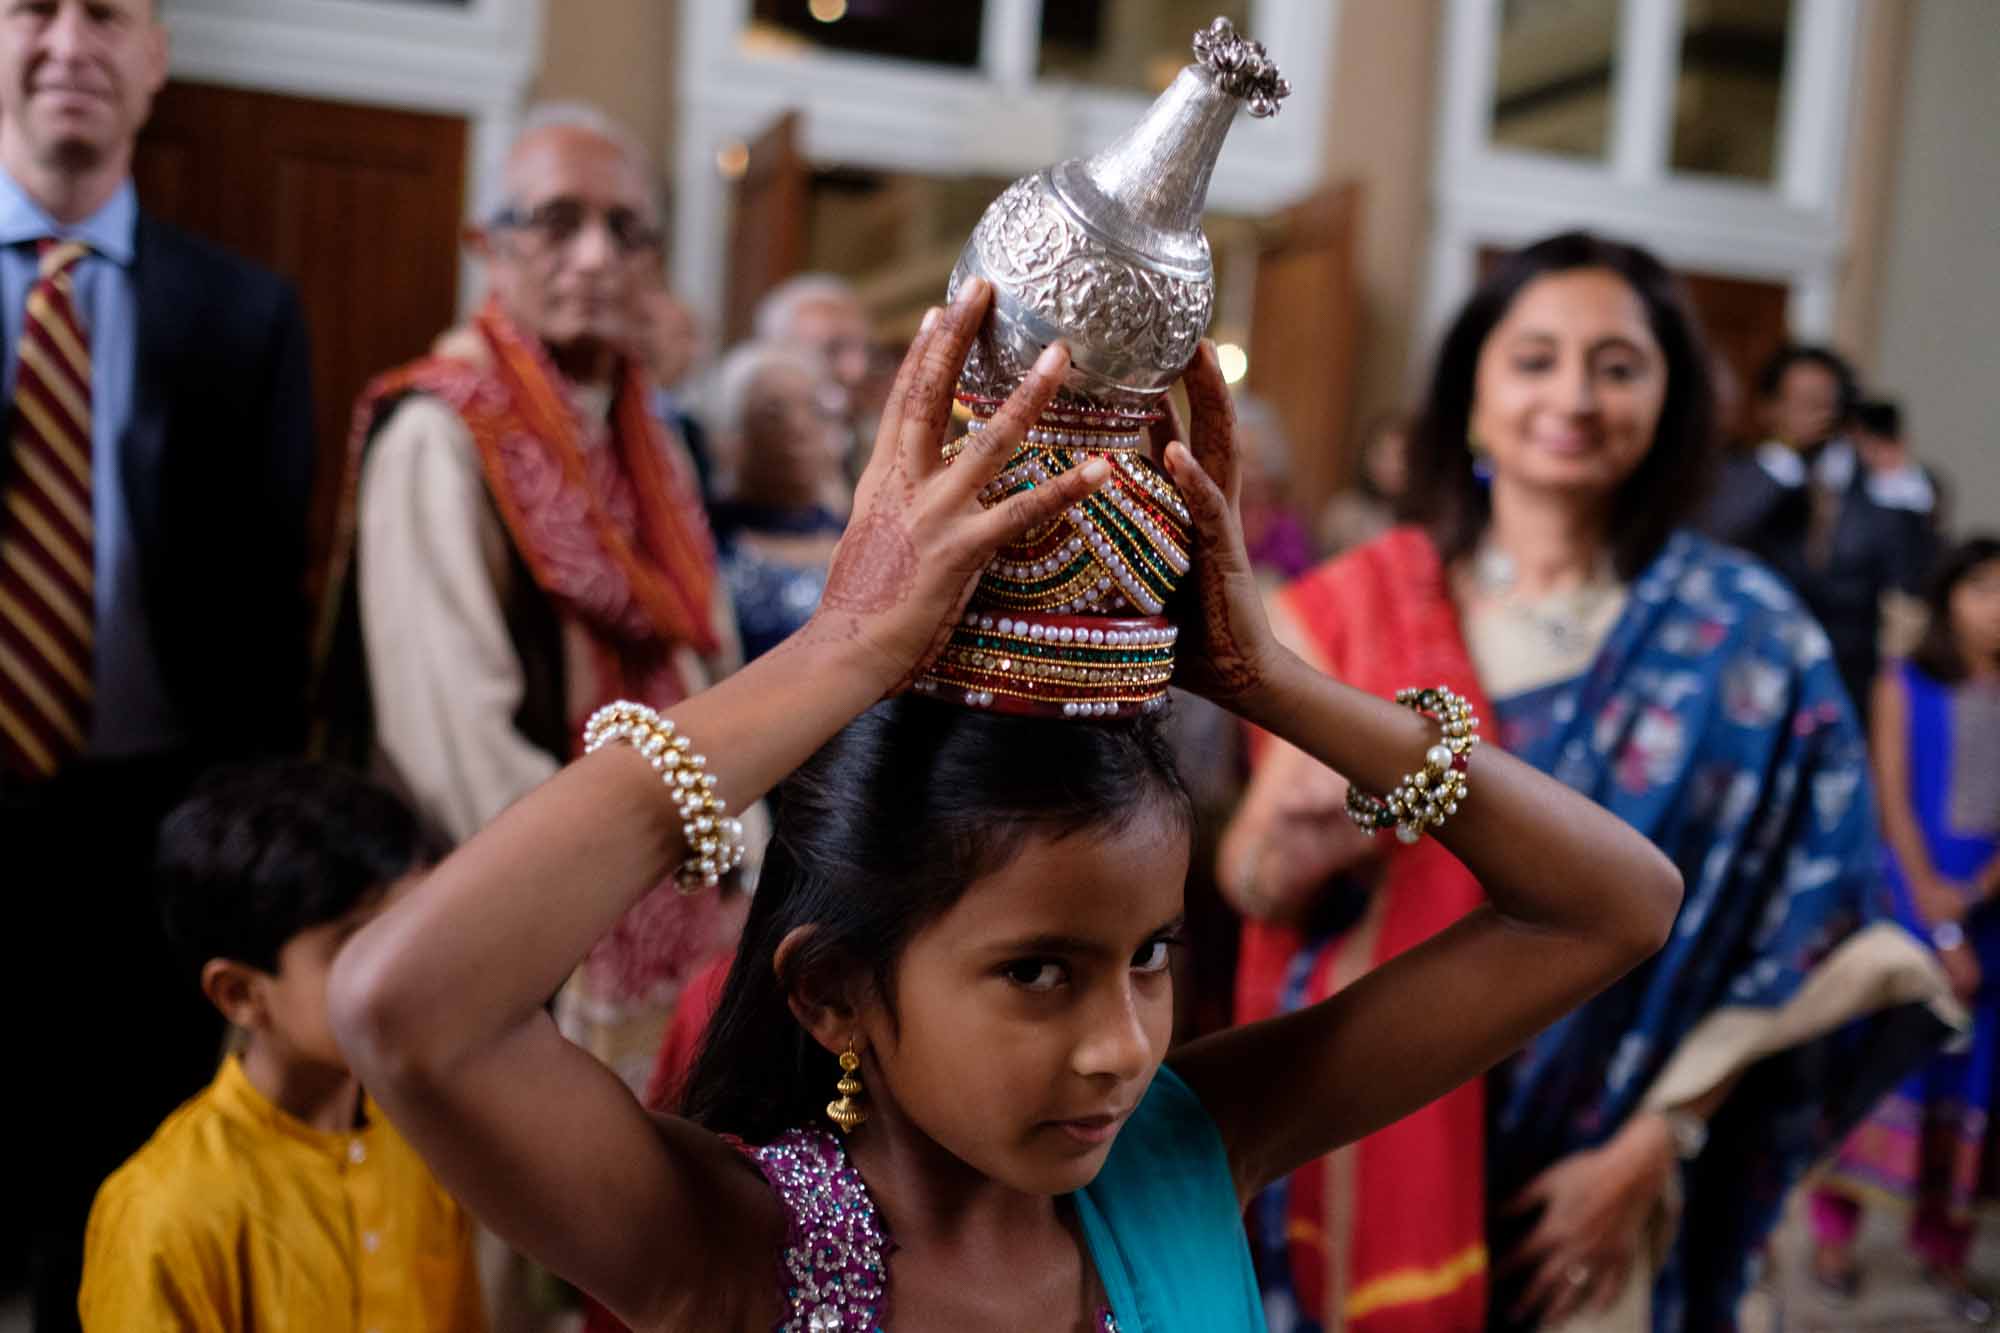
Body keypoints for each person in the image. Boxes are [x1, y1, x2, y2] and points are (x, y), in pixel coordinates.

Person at [325, 277, 1684, 1332]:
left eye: (1149, 956)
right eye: (1040, 973)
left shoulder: (1186, 1154)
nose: (1122, 1046)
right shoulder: (736, 1249)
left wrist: (1268, 679)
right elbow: (403, 1002)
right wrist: (836, 652)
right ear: (830, 993)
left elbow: (1616, 903)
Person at [1218, 232, 1954, 1333]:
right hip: (1380, 1143)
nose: (1572, 394)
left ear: (1669, 401)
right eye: (1533, 359)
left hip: (1615, 1181)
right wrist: (1284, 851)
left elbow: (1817, 923)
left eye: (1616, 365)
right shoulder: (1347, 609)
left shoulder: (1749, 638)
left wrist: (1654, 1144)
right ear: (1470, 391)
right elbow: (1252, 882)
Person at [0, 1, 318, 1321]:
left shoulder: (244, 313)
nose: (69, 40)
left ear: (154, 59)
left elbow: (271, 633)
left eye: (107, 12)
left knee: (109, 1216)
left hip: (150, 848)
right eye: (33, 6)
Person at [331, 103, 742, 1093]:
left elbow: (703, 660)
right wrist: (613, 868)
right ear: (489, 249)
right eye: (557, 223)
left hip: (686, 887)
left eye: (625, 230)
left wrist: (732, 846)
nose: (595, 257)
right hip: (524, 924)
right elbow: (450, 740)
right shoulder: (441, 431)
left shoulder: (652, 434)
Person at [76, 762, 485, 1331]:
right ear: (241, 994)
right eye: (358, 946)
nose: (405, 976)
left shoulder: (426, 1133)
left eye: (414, 933)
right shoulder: (166, 1212)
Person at [1810, 536, 2000, 1323]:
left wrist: (1976, 899)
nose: (1997, 605)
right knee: (1880, 1063)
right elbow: (1891, 802)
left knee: (1974, 1082)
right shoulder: (1904, 683)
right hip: (1906, 900)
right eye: (1984, 586)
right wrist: (1936, 912)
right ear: (1949, 594)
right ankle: (1830, 1243)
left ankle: (1946, 1253)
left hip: (1990, 912)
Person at [1701, 346, 1939, 720]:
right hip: (1751, 674)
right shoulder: (1740, 474)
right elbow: (1718, 534)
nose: (1814, 413)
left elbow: (1910, 579)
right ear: (1768, 407)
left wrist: (1900, 486)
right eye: (1800, 401)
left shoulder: (1877, 488)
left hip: (1847, 683)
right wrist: (1784, 458)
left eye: (1825, 402)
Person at [706, 340, 847, 660]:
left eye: (814, 410)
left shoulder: (860, 540)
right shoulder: (703, 540)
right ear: (731, 435)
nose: (797, 427)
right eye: (774, 412)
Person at [1315, 412, 1409, 558]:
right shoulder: (1344, 511)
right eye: (1382, 454)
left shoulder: (1420, 520)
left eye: (1400, 456)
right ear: (1366, 457)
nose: (1392, 466)